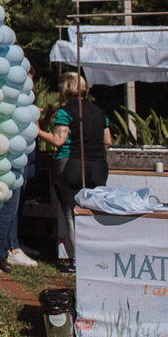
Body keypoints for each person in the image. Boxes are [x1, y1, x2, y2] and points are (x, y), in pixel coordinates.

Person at [37, 72, 111, 273]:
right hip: (98, 167)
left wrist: (36, 130)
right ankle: (95, 257)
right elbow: (108, 141)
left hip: (71, 166)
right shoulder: (99, 112)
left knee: (71, 215)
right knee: (92, 213)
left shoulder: (65, 112)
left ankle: (77, 261)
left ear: (64, 91)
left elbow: (58, 140)